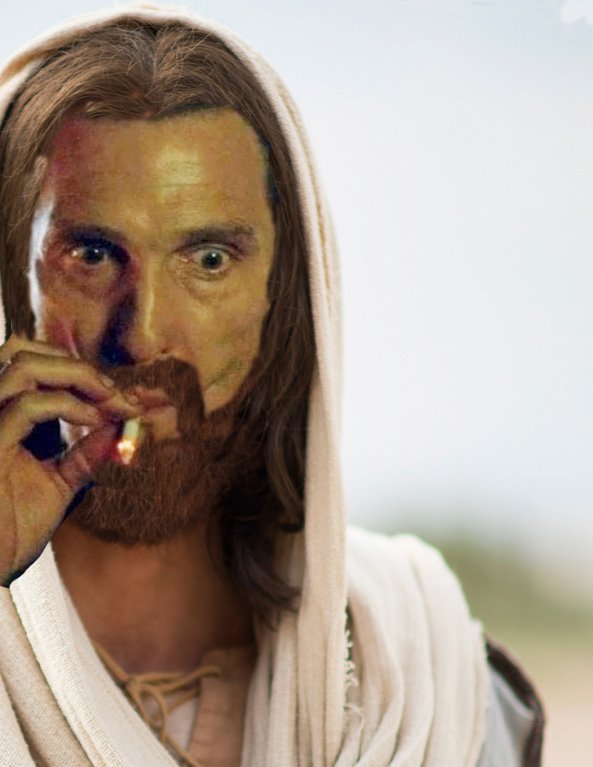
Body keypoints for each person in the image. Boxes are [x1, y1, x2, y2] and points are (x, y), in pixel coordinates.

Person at [0, 5, 543, 766]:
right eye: (90, 255)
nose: (143, 334)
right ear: (9, 290)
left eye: (208, 260)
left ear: (287, 302)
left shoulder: (433, 686)